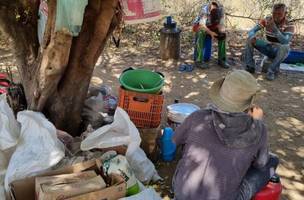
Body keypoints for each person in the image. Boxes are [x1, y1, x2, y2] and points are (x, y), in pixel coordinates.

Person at [172, 70, 278, 200]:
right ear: (249, 103)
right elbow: (260, 164)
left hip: (182, 192)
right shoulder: (259, 130)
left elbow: (174, 142)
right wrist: (257, 122)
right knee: (272, 161)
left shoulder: (197, 117)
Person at [244, 3, 295, 80]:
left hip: (279, 51)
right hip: (268, 47)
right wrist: (252, 36)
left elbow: (285, 41)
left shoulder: (289, 24)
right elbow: (252, 31)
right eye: (274, 13)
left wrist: (275, 30)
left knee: (285, 47)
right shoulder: (268, 19)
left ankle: (271, 71)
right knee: (249, 39)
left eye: (279, 14)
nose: (276, 16)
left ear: (285, 14)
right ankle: (250, 66)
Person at [193, 1, 230, 69]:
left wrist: (220, 32)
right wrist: (211, 33)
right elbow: (202, 25)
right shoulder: (205, 10)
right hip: (201, 26)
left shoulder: (221, 9)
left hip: (213, 26)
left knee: (223, 35)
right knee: (201, 32)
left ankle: (221, 60)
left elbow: (221, 24)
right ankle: (199, 61)